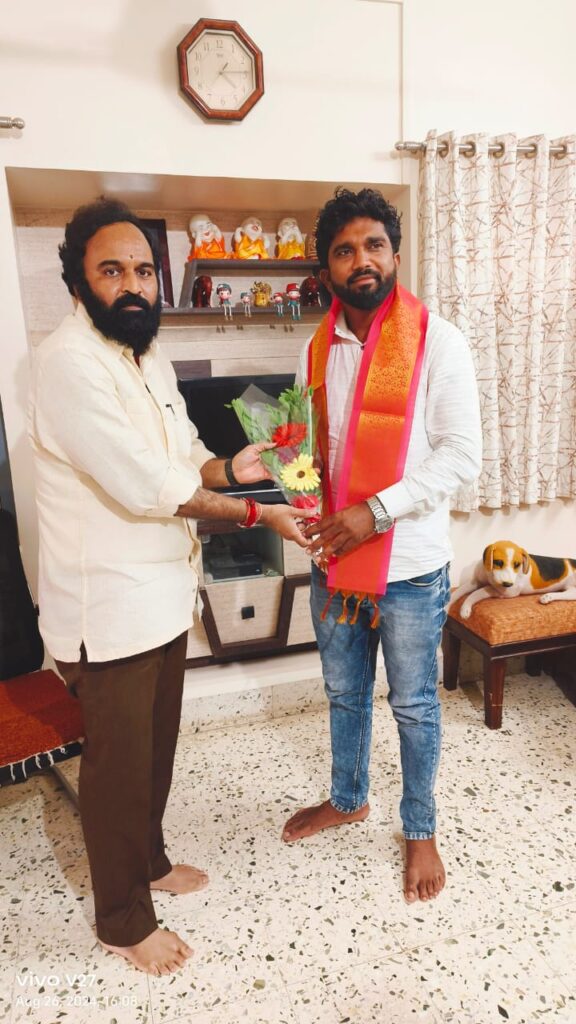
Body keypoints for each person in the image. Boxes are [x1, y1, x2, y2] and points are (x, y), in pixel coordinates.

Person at [28, 197, 312, 976]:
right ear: (78, 282)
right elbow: (148, 484)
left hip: (160, 598)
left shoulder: (144, 354)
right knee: (118, 770)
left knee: (154, 753)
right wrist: (260, 512)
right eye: (112, 270)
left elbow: (184, 455)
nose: (133, 285)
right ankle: (122, 921)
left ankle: (148, 862)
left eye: (144, 271)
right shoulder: (67, 363)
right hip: (107, 608)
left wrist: (235, 467)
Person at [282, 188, 482, 904]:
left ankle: (420, 827)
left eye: (374, 245)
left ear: (395, 255)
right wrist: (294, 482)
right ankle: (348, 797)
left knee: (414, 704)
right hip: (333, 562)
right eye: (344, 250)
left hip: (409, 568)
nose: (361, 260)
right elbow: (309, 449)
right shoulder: (314, 349)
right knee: (343, 693)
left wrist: (376, 511)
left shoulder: (438, 341)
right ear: (326, 270)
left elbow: (462, 454)